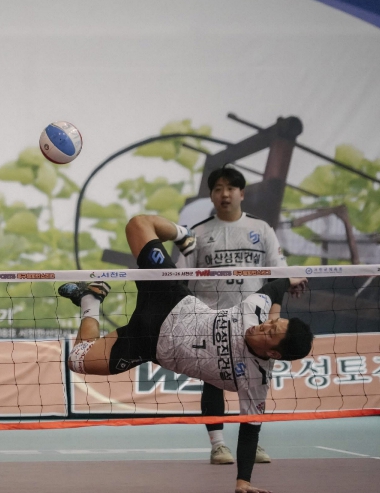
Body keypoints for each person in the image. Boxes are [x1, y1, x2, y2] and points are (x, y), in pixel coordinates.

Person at [59, 214, 312, 493]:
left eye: (269, 333)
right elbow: (275, 286)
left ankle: (90, 299)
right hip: (168, 297)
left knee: (77, 359)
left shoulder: (256, 380)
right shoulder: (255, 309)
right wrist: (290, 278)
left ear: (274, 353)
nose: (262, 327)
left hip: (148, 344)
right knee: (138, 224)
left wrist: (243, 482)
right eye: (271, 323)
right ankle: (184, 235)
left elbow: (250, 431)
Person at [176, 167, 288, 465]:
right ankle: (218, 445)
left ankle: (251, 445)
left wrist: (281, 301)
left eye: (230, 188)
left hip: (253, 323)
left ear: (241, 193)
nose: (224, 194)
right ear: (211, 195)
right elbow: (178, 278)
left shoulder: (262, 229)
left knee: (254, 382)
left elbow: (280, 273)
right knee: (212, 381)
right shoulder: (197, 233)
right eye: (218, 189)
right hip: (210, 321)